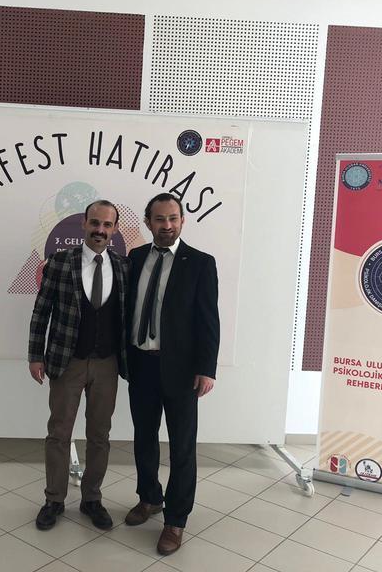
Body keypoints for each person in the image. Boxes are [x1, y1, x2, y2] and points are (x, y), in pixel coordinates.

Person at [124, 193, 219, 556]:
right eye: (160, 219)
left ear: (182, 220)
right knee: (144, 438)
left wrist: (206, 369)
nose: (167, 225)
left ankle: (176, 520)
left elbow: (208, 320)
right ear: (148, 222)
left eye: (173, 218)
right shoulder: (135, 258)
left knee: (182, 447)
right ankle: (150, 498)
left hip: (181, 371)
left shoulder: (201, 263)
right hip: (141, 365)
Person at [28, 200, 130, 531]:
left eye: (107, 225)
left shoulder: (124, 267)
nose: (100, 230)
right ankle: (54, 500)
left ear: (115, 229)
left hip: (107, 364)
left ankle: (92, 499)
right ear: (84, 224)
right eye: (95, 223)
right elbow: (41, 311)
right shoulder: (60, 262)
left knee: (100, 435)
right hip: (66, 361)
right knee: (59, 433)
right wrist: (35, 355)